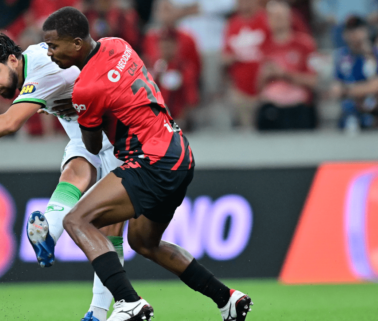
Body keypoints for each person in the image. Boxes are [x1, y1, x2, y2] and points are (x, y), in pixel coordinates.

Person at [41, 7, 252, 321]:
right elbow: (119, 93)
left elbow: (93, 146)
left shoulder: (86, 89)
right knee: (143, 241)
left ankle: (129, 302)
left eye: (54, 46)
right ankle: (227, 299)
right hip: (179, 151)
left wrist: (74, 111)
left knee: (76, 221)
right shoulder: (118, 45)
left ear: (76, 44)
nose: (50, 52)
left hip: (151, 160)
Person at [0, 30, 126, 321]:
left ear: (12, 60)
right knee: (73, 171)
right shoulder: (33, 66)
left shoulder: (41, 65)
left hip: (119, 136)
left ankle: (101, 308)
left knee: (117, 235)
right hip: (87, 137)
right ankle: (51, 237)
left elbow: (8, 123)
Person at [256, 0, 317, 130]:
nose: (277, 20)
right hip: (271, 106)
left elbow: (314, 81)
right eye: (274, 17)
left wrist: (284, 74)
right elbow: (258, 87)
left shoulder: (305, 44)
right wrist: (265, 75)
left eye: (280, 16)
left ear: (289, 18)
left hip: (297, 106)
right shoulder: (264, 47)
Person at [222, 0, 270, 130]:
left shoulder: (266, 20)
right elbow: (224, 57)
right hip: (240, 90)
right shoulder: (233, 24)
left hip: (264, 89)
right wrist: (235, 57)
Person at [330, 16, 378, 129]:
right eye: (350, 30)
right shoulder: (341, 57)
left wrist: (346, 90)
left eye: (358, 29)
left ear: (366, 31)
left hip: (374, 111)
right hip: (350, 113)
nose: (354, 34)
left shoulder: (375, 54)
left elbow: (375, 86)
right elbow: (336, 87)